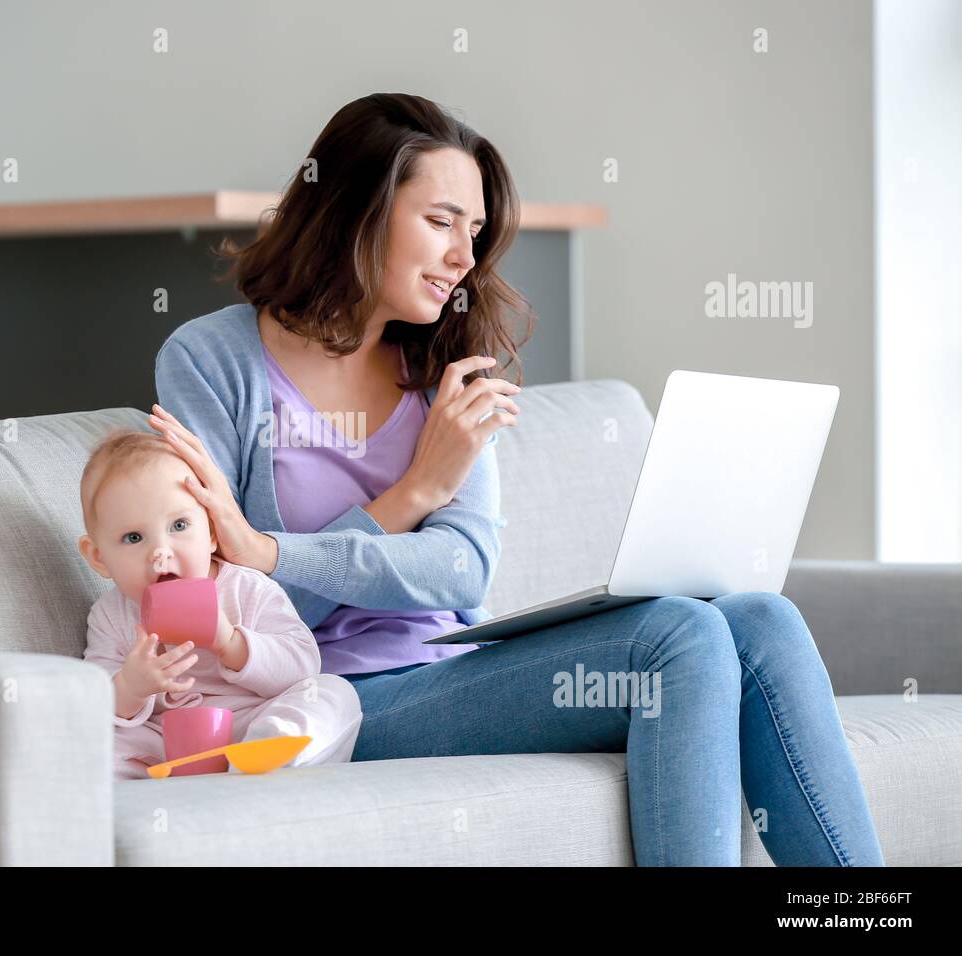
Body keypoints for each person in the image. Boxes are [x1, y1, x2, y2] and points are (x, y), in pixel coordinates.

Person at [147, 92, 884, 865]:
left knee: (761, 619)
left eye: (474, 230)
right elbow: (216, 605)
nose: (465, 257)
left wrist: (272, 550)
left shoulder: (442, 369)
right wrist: (412, 497)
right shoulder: (212, 361)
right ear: (356, 211)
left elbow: (461, 570)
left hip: (452, 671)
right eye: (440, 222)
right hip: (325, 700)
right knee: (679, 633)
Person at [77, 428, 362, 781]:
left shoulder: (247, 588)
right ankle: (132, 784)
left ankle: (268, 757)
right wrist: (131, 686)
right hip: (162, 744)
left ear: (212, 532)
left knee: (334, 693)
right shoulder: (110, 615)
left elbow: (302, 666)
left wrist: (230, 642)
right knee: (91, 739)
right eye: (133, 537)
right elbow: (92, 701)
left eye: (179, 525)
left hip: (249, 727)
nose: (160, 552)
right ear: (99, 557)